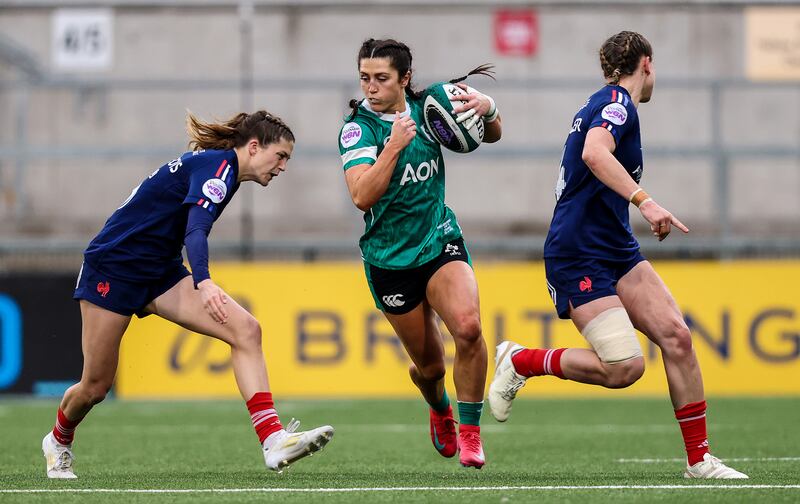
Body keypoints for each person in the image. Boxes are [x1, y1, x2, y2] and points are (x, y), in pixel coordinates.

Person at [487, 31, 747, 479]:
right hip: (578, 252)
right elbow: (593, 153)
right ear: (646, 63)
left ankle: (699, 460)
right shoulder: (617, 104)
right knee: (625, 367)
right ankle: (521, 360)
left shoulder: (606, 102)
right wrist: (645, 200)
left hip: (615, 246)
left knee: (677, 338)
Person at [42, 110, 334, 479]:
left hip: (160, 272)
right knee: (96, 386)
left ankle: (272, 439)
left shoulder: (222, 168)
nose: (283, 167)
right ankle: (58, 440)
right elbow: (196, 231)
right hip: (114, 268)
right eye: (281, 156)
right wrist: (205, 280)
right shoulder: (220, 169)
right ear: (255, 146)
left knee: (246, 330)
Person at [338, 38, 502, 469]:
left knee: (468, 329)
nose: (371, 87)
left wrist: (488, 108)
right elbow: (361, 195)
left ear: (404, 78)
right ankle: (439, 408)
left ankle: (470, 433)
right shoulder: (358, 130)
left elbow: (491, 134)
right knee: (430, 368)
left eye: (381, 78)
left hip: (438, 240)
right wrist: (392, 146)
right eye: (364, 78)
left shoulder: (433, 105)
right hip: (389, 260)